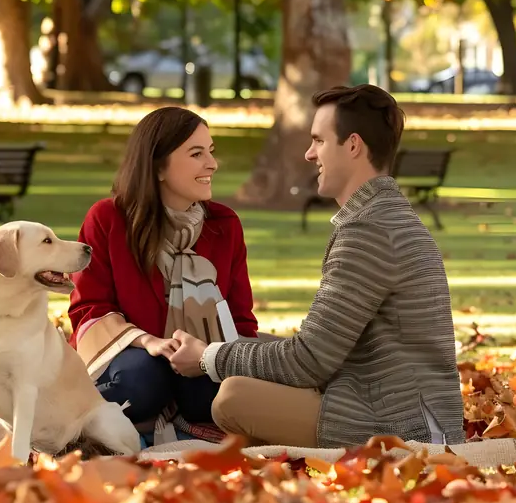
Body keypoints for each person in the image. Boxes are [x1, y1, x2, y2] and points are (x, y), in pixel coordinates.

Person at [169, 84, 465, 449]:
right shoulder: (382, 216)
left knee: (234, 398)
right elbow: (319, 350)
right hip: (378, 397)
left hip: (398, 424)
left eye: (319, 141)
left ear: (353, 145)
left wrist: (207, 358)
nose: (310, 154)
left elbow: (308, 361)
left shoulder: (370, 230)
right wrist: (222, 349)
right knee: (244, 348)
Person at [69, 106, 257, 444]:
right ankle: (90, 427)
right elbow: (88, 309)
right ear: (157, 167)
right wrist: (148, 342)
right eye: (196, 153)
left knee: (215, 389)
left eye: (210, 152)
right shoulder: (108, 220)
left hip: (201, 359)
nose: (211, 164)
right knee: (144, 376)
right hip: (131, 360)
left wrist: (212, 357)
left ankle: (163, 427)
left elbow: (240, 320)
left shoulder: (224, 225)